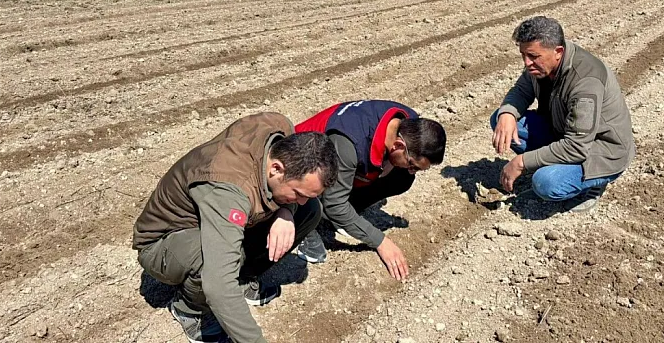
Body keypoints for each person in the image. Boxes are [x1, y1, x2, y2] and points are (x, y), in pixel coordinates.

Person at [132, 112, 338, 343]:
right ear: (276, 168)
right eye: (298, 193)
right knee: (217, 262)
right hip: (164, 243)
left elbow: (297, 202)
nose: (301, 200)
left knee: (310, 210)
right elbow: (218, 284)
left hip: (216, 216)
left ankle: (243, 277)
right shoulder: (228, 190)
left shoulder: (280, 130)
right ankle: (189, 310)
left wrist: (287, 211)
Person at [491, 16, 635, 212]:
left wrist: (522, 162)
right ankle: (552, 163)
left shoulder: (586, 81)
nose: (526, 62)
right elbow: (522, 90)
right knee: (501, 120)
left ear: (558, 52)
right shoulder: (542, 64)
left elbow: (577, 147)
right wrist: (507, 114)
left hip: (600, 151)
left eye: (532, 56)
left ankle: (594, 182)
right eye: (523, 55)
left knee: (545, 183)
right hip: (563, 131)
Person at [293, 100, 446, 281]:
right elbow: (335, 204)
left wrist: (389, 163)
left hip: (341, 161)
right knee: (330, 205)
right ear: (398, 146)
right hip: (301, 168)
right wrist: (380, 241)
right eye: (412, 165)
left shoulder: (408, 122)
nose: (412, 171)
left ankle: (345, 216)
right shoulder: (351, 143)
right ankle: (303, 220)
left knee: (402, 178)